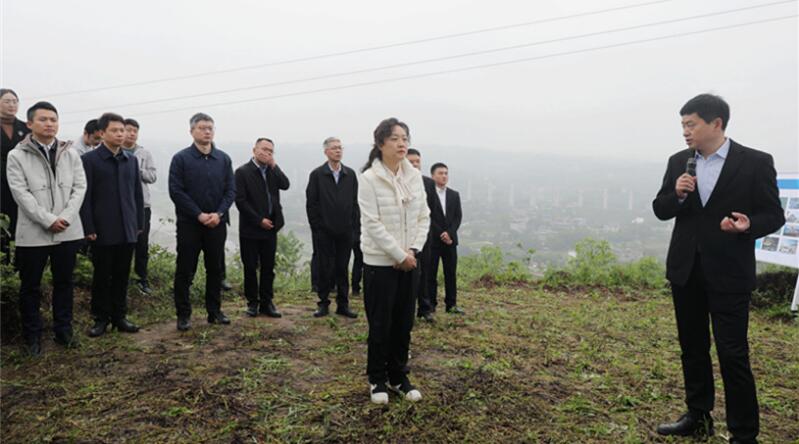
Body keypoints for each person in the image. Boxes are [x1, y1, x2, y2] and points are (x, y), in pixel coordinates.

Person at [652, 94, 784, 443]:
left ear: (716, 123)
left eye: (691, 124)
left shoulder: (755, 162)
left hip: (729, 273)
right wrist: (678, 195)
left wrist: (748, 225)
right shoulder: (679, 162)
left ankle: (743, 433)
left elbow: (774, 214)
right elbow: (661, 208)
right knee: (692, 347)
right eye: (682, 125)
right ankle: (697, 417)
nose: (685, 131)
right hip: (686, 271)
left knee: (733, 353)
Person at [6, 101, 86, 355]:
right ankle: (32, 337)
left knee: (64, 282)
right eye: (43, 119)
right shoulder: (17, 155)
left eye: (53, 119)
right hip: (34, 232)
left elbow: (79, 188)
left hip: (67, 230)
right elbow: (20, 193)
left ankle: (64, 331)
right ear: (30, 123)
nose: (49, 124)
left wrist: (66, 217)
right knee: (31, 286)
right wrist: (48, 220)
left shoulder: (70, 153)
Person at [359, 117, 429, 404]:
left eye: (405, 138)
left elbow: (424, 216)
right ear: (380, 144)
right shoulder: (368, 179)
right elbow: (372, 224)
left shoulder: (414, 177)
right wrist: (398, 255)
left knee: (403, 322)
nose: (402, 143)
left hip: (410, 260)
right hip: (380, 264)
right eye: (395, 138)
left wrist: (412, 250)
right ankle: (377, 378)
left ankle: (398, 375)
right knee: (380, 323)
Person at [168, 113, 235, 331]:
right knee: (185, 270)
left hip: (216, 224)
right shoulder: (181, 159)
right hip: (190, 225)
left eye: (210, 128)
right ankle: (183, 314)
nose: (207, 132)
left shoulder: (223, 159)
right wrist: (198, 214)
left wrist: (219, 213)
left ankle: (214, 312)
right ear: (192, 131)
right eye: (202, 128)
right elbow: (176, 191)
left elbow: (230, 190)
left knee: (215, 270)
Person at [80, 112, 143, 337]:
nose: (120, 134)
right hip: (102, 228)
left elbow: (137, 194)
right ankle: (100, 318)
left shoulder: (130, 160)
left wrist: (138, 223)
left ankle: (119, 316)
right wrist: (88, 227)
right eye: (114, 130)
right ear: (102, 133)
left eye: (122, 130)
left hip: (127, 227)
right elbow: (84, 197)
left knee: (122, 275)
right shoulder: (90, 160)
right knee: (102, 276)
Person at [235, 137, 289, 318]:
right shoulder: (242, 172)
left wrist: (275, 165)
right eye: (264, 149)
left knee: (268, 267)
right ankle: (252, 303)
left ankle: (267, 302)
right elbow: (240, 201)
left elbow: (285, 185)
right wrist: (259, 220)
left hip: (271, 228)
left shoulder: (272, 171)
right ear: (254, 150)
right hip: (250, 229)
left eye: (271, 151)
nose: (267, 153)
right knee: (250, 267)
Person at [306, 137, 359, 318]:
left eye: (340, 148)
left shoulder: (350, 174)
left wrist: (354, 227)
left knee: (342, 268)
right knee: (324, 268)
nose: (338, 151)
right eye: (334, 148)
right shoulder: (317, 175)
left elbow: (355, 203)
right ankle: (323, 304)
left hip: (345, 230)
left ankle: (343, 304)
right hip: (324, 231)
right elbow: (311, 203)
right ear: (326, 152)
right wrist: (317, 228)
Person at [122, 118, 157, 295]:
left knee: (141, 244)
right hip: (121, 205)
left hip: (142, 205)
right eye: (128, 130)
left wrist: (135, 168)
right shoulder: (116, 152)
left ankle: (141, 279)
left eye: (135, 131)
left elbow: (152, 177)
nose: (131, 134)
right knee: (122, 244)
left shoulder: (144, 153)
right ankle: (122, 278)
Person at [426, 162, 464, 314]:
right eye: (440, 173)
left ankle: (451, 304)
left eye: (446, 173)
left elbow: (457, 217)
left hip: (450, 241)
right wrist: (441, 233)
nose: (444, 176)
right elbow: (428, 217)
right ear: (432, 176)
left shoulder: (454, 195)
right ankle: (431, 304)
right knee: (431, 274)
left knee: (450, 273)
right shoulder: (427, 194)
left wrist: (449, 233)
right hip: (433, 241)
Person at [1, 89, 31, 262]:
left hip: (22, 182)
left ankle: (21, 265)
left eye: (15, 101)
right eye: (7, 101)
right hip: (1, 183)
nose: (12, 105)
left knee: (20, 224)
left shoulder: (25, 128)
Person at [406, 148, 435, 322]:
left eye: (417, 161)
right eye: (411, 162)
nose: (415, 165)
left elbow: (432, 211)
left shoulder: (428, 183)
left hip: (424, 236)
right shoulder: (398, 182)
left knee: (425, 272)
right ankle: (406, 309)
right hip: (405, 236)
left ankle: (424, 308)